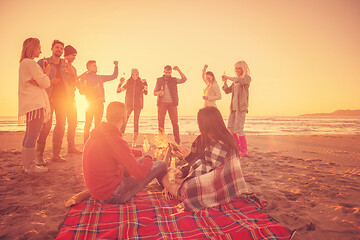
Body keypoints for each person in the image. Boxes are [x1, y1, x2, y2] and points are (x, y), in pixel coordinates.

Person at [162, 106, 249, 211]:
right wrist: (182, 171)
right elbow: (202, 163)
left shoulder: (221, 143)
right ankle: (179, 185)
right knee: (172, 176)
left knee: (177, 184)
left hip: (223, 186)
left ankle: (180, 193)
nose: (198, 124)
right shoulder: (207, 139)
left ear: (205, 123)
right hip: (214, 179)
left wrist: (189, 160)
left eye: (199, 121)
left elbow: (207, 171)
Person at [82, 101, 167, 204]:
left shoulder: (98, 134)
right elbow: (140, 174)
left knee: (141, 161)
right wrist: (149, 156)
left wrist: (142, 153)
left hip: (98, 190)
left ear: (108, 116)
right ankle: (168, 187)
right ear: (124, 118)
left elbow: (119, 152)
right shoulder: (115, 140)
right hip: (111, 195)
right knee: (161, 164)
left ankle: (165, 184)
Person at [18, 38, 51, 173]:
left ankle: (27, 166)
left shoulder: (23, 64)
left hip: (30, 104)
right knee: (32, 135)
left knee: (29, 135)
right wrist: (47, 72)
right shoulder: (30, 63)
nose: (41, 51)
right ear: (32, 48)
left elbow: (37, 81)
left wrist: (40, 78)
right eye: (38, 48)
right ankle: (30, 167)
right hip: (35, 104)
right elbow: (45, 83)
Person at [36, 39, 72, 163]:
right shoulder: (43, 62)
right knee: (46, 126)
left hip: (63, 100)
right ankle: (39, 156)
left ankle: (56, 155)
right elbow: (36, 79)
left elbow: (71, 79)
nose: (59, 50)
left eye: (61, 49)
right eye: (57, 47)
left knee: (61, 126)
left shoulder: (65, 64)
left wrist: (71, 74)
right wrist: (49, 81)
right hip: (48, 99)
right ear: (52, 48)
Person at [79, 60, 119, 143]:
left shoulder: (100, 77)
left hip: (100, 105)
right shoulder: (84, 78)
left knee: (98, 125)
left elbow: (113, 76)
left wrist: (116, 66)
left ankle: (96, 143)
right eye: (94, 66)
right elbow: (81, 91)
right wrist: (84, 88)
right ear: (89, 68)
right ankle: (86, 143)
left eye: (96, 65)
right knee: (88, 124)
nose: (96, 67)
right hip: (90, 104)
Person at [222, 61, 251, 157]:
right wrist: (225, 82)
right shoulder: (234, 82)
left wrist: (229, 78)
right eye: (236, 68)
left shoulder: (246, 78)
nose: (237, 70)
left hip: (241, 108)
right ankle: (238, 147)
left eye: (239, 68)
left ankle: (244, 150)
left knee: (239, 129)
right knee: (230, 128)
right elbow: (227, 91)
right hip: (233, 108)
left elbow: (239, 80)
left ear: (243, 68)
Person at [153, 65, 187, 144]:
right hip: (162, 103)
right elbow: (154, 92)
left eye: (169, 72)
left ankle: (177, 141)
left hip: (172, 103)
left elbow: (184, 79)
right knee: (161, 122)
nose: (167, 74)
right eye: (166, 72)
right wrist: (158, 93)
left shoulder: (174, 80)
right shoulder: (159, 80)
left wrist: (178, 69)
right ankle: (161, 141)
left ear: (171, 72)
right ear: (163, 72)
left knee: (175, 123)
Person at [117, 68, 148, 146]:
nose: (135, 76)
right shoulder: (128, 83)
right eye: (133, 74)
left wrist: (145, 85)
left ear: (138, 74)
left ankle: (134, 141)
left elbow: (146, 92)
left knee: (136, 122)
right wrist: (120, 83)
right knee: (125, 121)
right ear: (131, 74)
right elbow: (118, 91)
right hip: (128, 105)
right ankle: (121, 137)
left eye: (136, 74)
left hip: (138, 105)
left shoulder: (141, 83)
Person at [63, 45, 82, 154]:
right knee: (60, 124)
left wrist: (79, 83)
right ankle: (57, 151)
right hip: (61, 98)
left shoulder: (73, 68)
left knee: (73, 122)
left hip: (71, 98)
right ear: (67, 54)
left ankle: (71, 147)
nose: (74, 58)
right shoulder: (60, 65)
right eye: (73, 55)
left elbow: (75, 83)